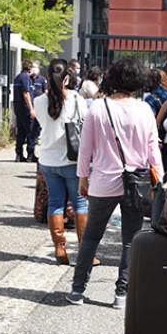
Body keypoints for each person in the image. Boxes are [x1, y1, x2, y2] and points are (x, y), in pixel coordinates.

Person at [66, 57, 163, 309]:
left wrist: (83, 178)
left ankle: (77, 290)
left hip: (103, 180)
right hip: (136, 183)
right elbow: (153, 149)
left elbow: (85, 148)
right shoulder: (144, 109)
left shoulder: (98, 108)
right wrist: (160, 180)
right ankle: (122, 294)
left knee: (91, 237)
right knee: (130, 240)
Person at [34, 61, 95, 266]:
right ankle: (85, 253)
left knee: (55, 204)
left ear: (47, 77)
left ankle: (60, 249)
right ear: (67, 78)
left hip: (47, 160)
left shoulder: (38, 101)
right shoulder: (76, 99)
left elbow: (43, 123)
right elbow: (86, 124)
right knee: (80, 204)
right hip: (72, 160)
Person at [13, 59, 36, 162]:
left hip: (18, 107)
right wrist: (31, 109)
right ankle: (30, 155)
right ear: (30, 68)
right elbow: (26, 93)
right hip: (25, 107)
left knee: (21, 131)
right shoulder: (26, 77)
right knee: (31, 131)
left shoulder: (18, 77)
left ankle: (19, 154)